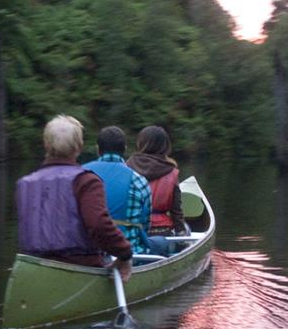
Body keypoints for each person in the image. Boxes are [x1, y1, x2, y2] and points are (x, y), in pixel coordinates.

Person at [16, 115, 132, 281]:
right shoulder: (86, 181)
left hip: (34, 269)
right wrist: (125, 253)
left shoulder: (25, 183)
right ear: (79, 147)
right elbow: (99, 225)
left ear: (46, 145)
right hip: (81, 266)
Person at [84, 126, 173, 257]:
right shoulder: (139, 181)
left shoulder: (80, 174)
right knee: (162, 242)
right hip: (130, 255)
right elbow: (144, 226)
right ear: (125, 149)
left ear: (98, 149)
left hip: (89, 253)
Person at [126, 125, 185, 236]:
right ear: (165, 146)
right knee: (186, 229)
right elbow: (176, 211)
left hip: (133, 228)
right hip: (162, 231)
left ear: (140, 143)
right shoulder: (172, 172)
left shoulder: (127, 166)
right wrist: (181, 232)